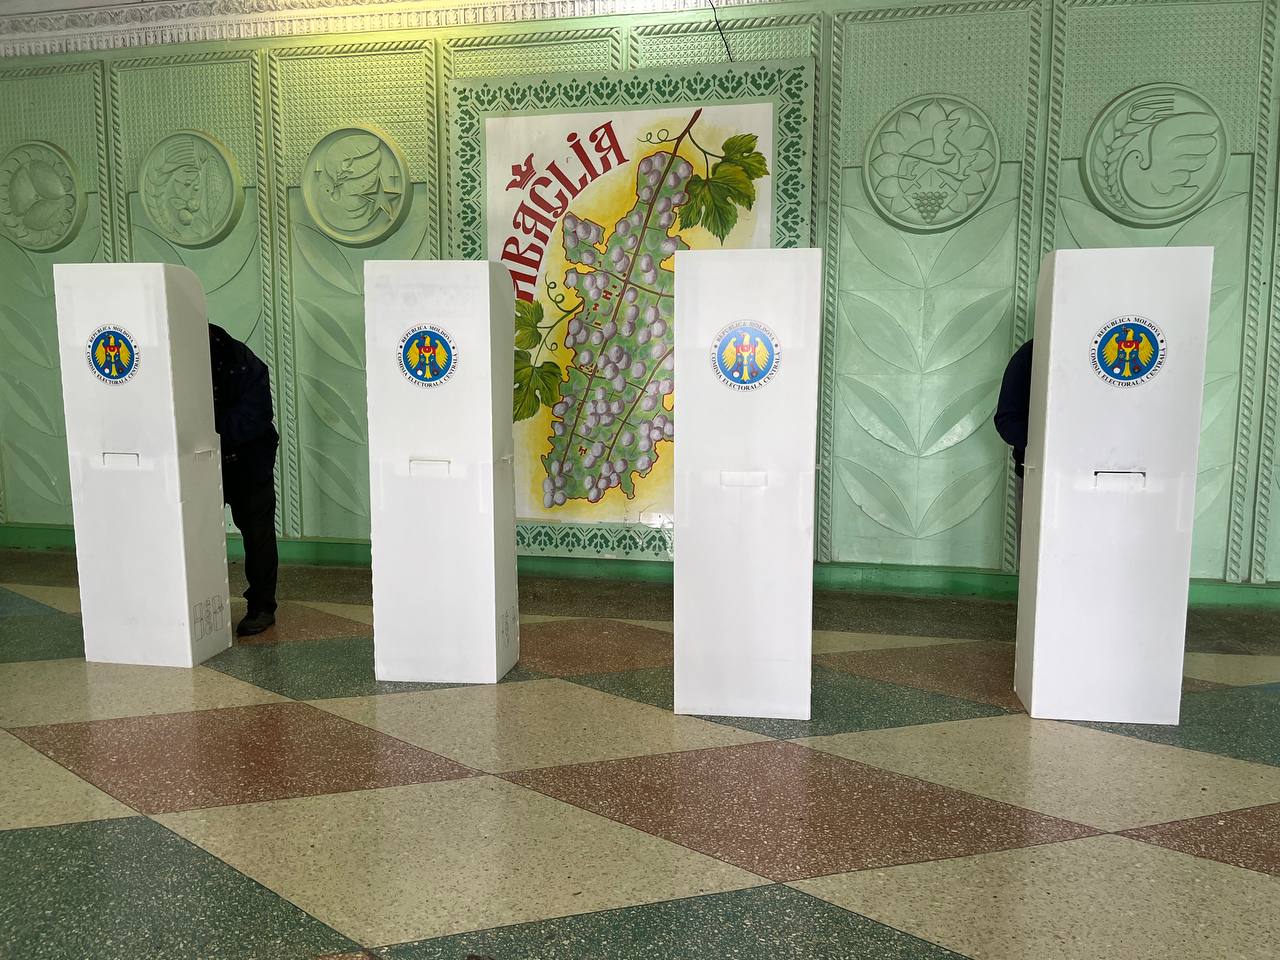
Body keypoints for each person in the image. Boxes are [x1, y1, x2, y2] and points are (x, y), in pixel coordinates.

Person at [209, 325, 279, 636]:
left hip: (249, 460)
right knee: (193, 531)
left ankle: (262, 607)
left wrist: (204, 426)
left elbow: (252, 419)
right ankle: (198, 604)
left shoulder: (244, 364)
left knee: (257, 533)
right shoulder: (175, 356)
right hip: (197, 459)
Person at [994, 339, 1033, 553]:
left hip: (1106, 476)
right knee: (1035, 560)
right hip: (1037, 477)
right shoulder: (1032, 354)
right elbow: (1007, 422)